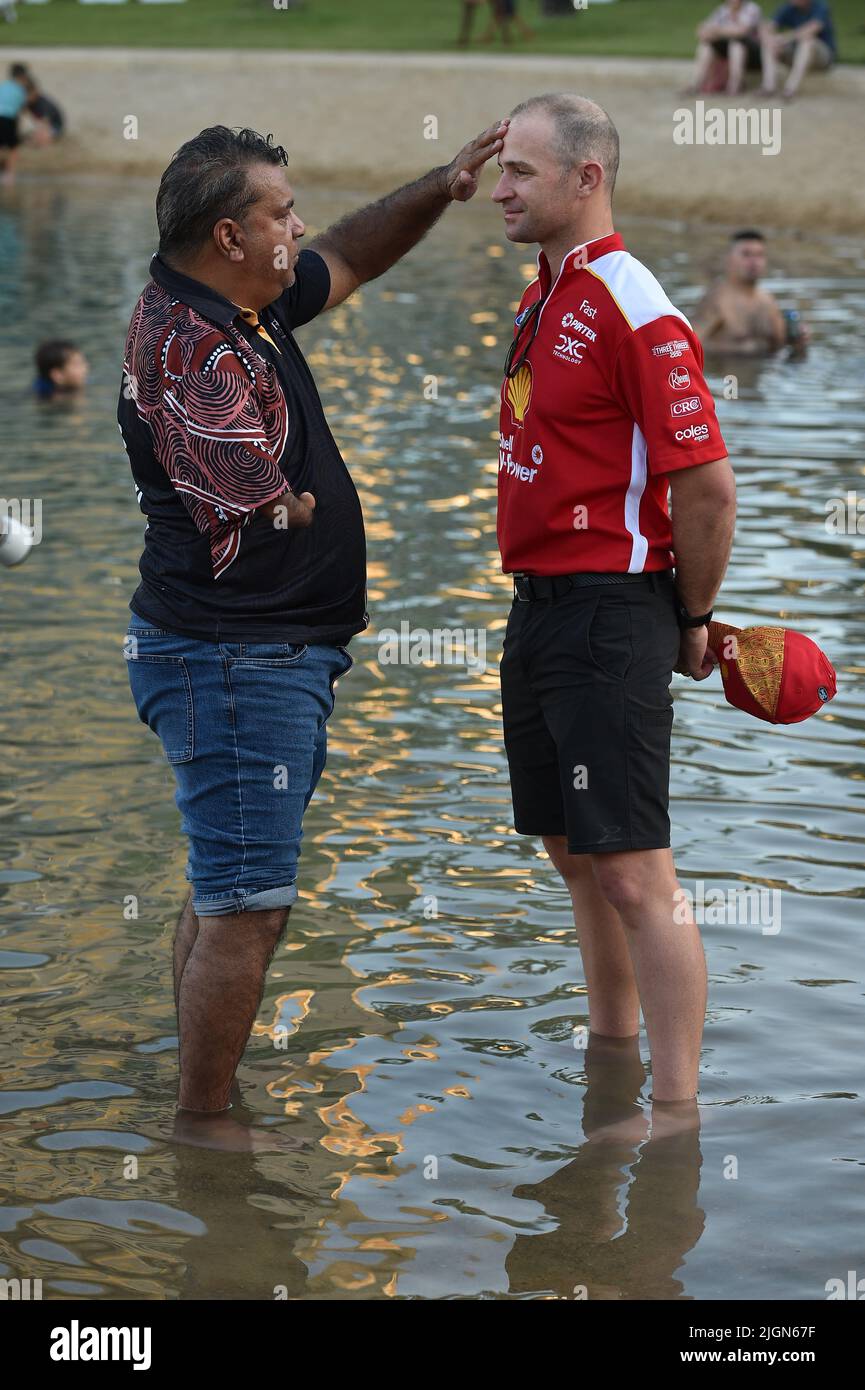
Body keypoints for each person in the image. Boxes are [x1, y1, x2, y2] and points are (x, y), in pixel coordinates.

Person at [120, 121, 507, 1149]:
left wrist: (442, 183)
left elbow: (354, 251)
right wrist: (303, 508)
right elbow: (251, 494)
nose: (300, 225)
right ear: (228, 235)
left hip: (253, 655)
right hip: (233, 656)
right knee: (247, 904)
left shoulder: (240, 299)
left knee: (231, 889)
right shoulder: (192, 346)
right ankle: (203, 1131)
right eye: (280, 212)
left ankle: (204, 1092)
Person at [490, 93, 736, 1107]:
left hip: (613, 607)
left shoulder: (634, 301)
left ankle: (674, 1118)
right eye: (499, 168)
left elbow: (708, 486)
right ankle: (609, 1063)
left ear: (586, 179)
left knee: (635, 871)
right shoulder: (543, 291)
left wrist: (688, 618)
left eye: (520, 171)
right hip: (538, 604)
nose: (498, 189)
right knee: (571, 852)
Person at [692, 228, 810, 357]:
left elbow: (781, 344)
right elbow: (690, 346)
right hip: (727, 373)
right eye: (746, 254)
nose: (754, 262)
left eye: (759, 255)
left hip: (765, 373)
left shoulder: (767, 301)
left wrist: (799, 340)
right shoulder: (717, 300)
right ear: (729, 259)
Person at [759, 0, 837, 99]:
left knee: (808, 41)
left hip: (823, 57)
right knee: (769, 43)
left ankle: (790, 89)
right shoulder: (788, 7)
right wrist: (769, 38)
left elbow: (812, 29)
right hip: (797, 54)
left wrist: (785, 38)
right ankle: (768, 87)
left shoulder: (821, 6)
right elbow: (768, 26)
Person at [685, 0, 764, 95]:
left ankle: (734, 86)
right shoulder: (722, 10)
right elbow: (702, 32)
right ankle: (696, 83)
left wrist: (716, 30)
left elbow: (741, 32)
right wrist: (720, 31)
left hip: (754, 53)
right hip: (729, 49)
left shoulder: (751, 9)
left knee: (736, 46)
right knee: (706, 46)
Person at [0, 63, 29, 186]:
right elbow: (21, 110)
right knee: (13, 148)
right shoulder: (20, 90)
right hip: (9, 118)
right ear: (22, 76)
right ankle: (9, 175)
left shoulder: (3, 86)